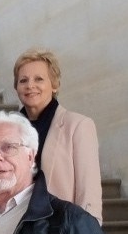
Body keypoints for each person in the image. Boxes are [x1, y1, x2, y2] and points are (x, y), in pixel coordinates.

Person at [14, 49, 102, 222]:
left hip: (59, 229)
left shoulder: (78, 125)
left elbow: (88, 190)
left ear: (55, 85)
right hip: (16, 229)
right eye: (23, 80)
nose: (30, 85)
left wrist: (87, 233)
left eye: (39, 79)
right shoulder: (9, 129)